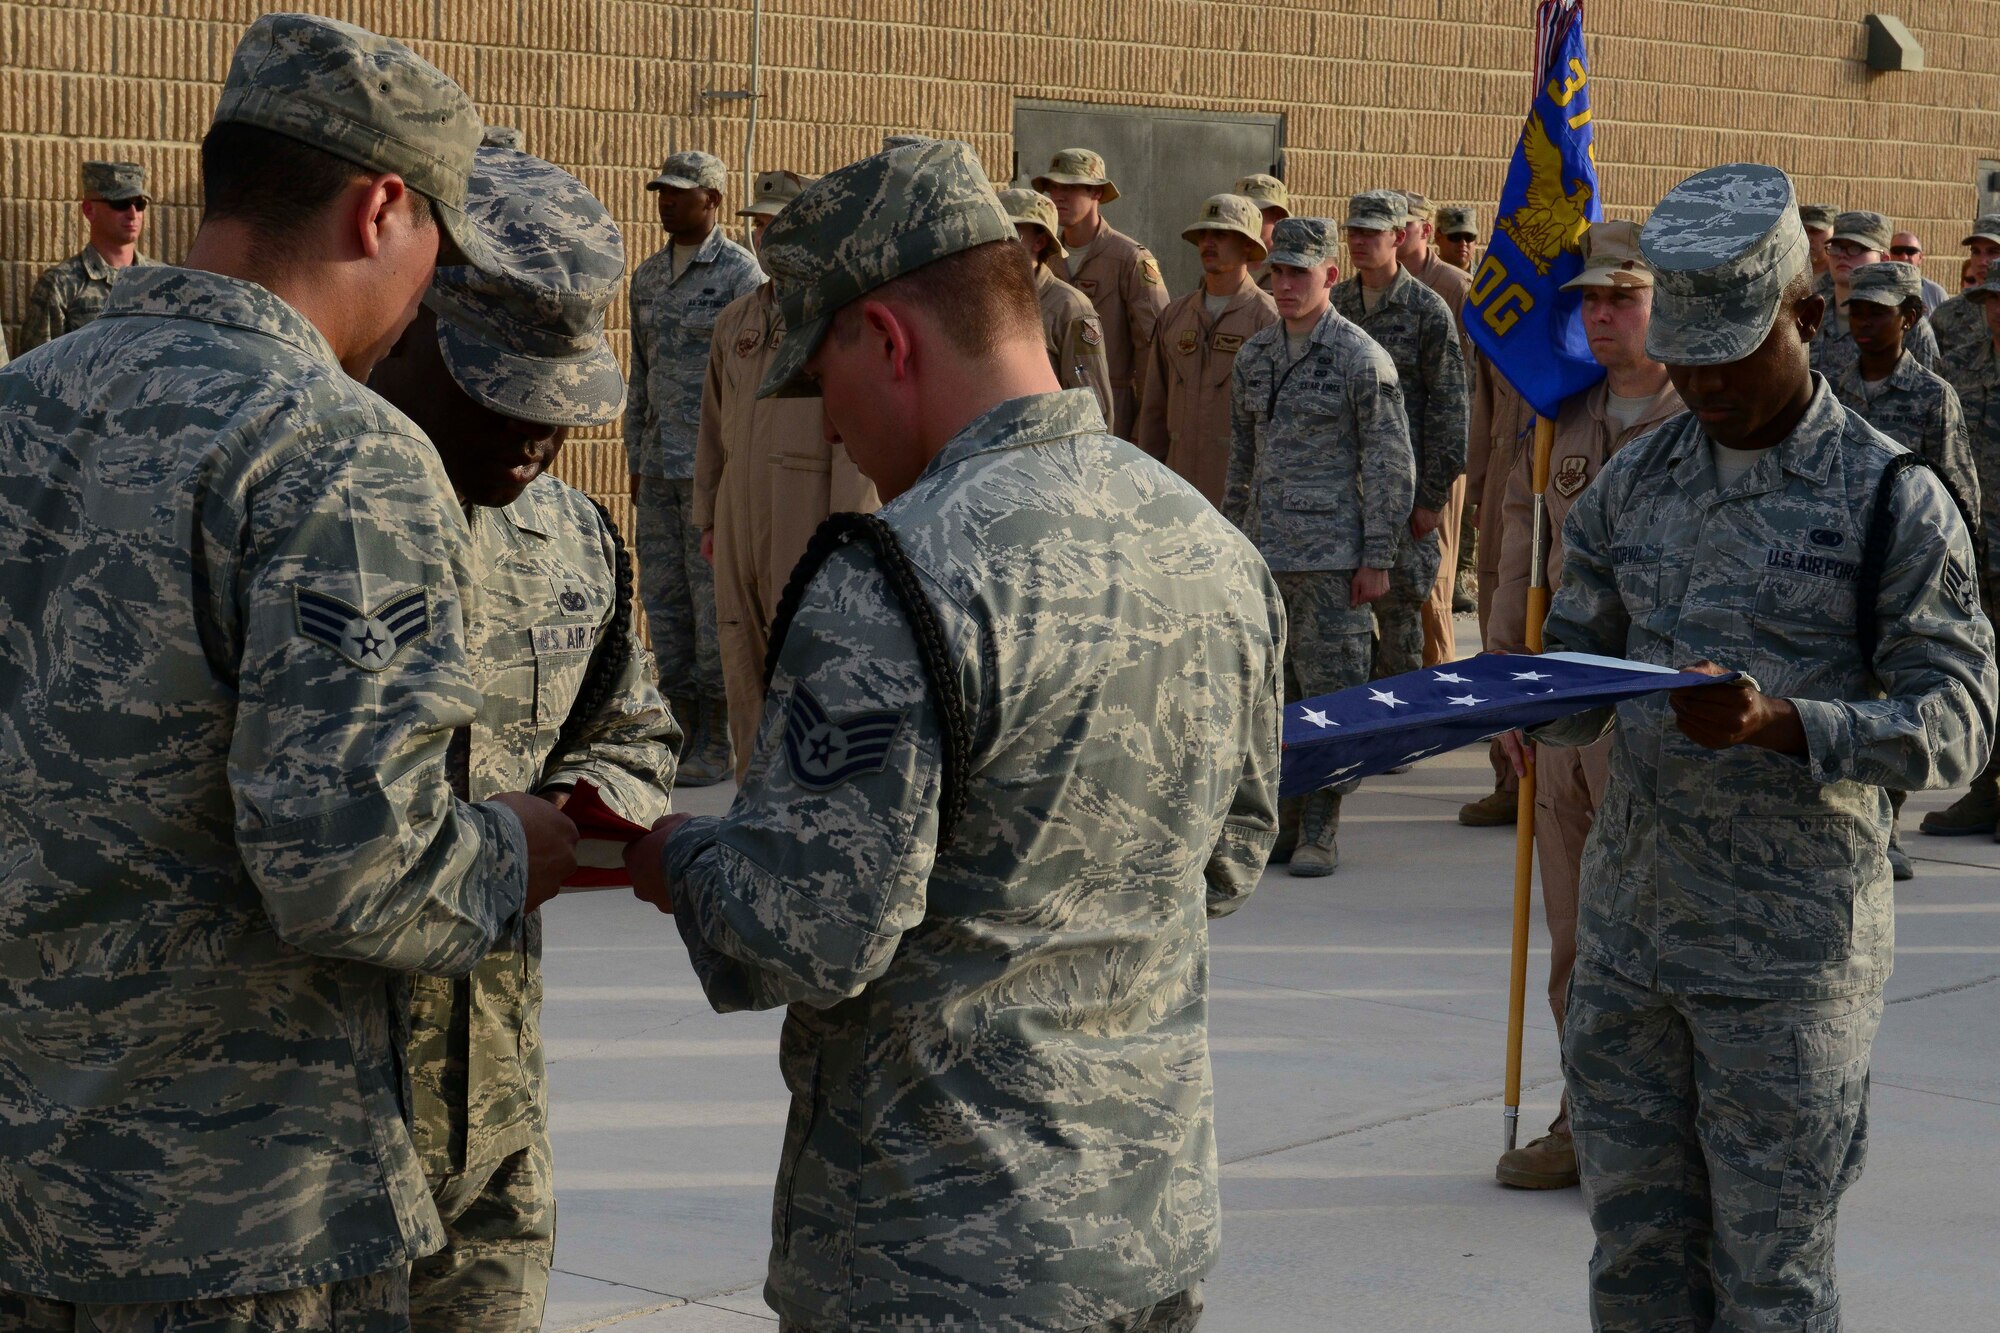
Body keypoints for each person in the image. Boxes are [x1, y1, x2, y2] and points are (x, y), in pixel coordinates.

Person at [626, 139, 1283, 1333]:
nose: (825, 421)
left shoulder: (898, 576)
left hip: (935, 1255)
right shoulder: (1208, 546)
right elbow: (1228, 859)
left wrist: (669, 854)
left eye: (817, 377)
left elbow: (809, 931)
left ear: (885, 340)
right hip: (1143, 1232)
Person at [0, 14, 581, 1326]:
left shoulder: (20, 405)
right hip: (240, 1225)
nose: (432, 294)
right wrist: (518, 849)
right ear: (383, 207)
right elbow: (351, 880)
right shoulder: (337, 450)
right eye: (441, 246)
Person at [1525, 163, 1995, 1332]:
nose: (1703, 386)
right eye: (1683, 360)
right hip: (1631, 943)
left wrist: (1787, 724)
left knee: (1768, 1279)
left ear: (1805, 315)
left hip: (1784, 966)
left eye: (1729, 358)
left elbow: (1960, 729)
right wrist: (1513, 701)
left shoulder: (1891, 500)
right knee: (1634, 1261)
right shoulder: (1633, 483)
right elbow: (1575, 662)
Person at [366, 144, 681, 1331]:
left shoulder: (572, 539)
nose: (536, 430)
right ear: (408, 322)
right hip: (303, 1147)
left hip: (490, 1117)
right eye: (499, 386)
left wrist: (584, 803)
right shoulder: (288, 516)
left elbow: (637, 729)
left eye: (556, 398)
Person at [1486, 219, 1683, 1192]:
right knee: (1572, 936)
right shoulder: (1559, 412)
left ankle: (1660, 1132)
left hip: (1659, 729)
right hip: (1562, 706)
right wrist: (1507, 677)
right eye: (1585, 300)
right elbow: (1520, 531)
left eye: (1620, 296)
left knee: (1652, 939)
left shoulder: (1705, 423)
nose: (1598, 316)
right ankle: (1583, 1113)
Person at [1227, 217, 1416, 876]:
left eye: (1299, 273)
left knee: (1330, 695)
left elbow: (1391, 461)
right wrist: (1231, 545)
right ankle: (1282, 814)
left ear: (1330, 276)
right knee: (1272, 697)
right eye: (1277, 271)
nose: (1284, 284)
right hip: (1264, 556)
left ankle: (1323, 826)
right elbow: (1241, 464)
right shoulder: (1253, 357)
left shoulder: (1360, 358)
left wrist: (1377, 557)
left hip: (1334, 561)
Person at [699, 169, 879, 781]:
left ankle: (800, 802)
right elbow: (712, 427)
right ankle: (751, 798)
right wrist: (706, 517)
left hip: (805, 516)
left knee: (804, 660)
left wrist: (850, 535)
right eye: (759, 224)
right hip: (737, 516)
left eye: (779, 222)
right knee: (741, 656)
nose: (766, 234)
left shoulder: (832, 316)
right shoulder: (736, 322)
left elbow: (855, 440)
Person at [625, 149, 764, 786]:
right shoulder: (649, 277)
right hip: (658, 469)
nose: (666, 201)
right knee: (665, 601)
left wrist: (735, 470)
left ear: (713, 198)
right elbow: (642, 376)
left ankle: (717, 736)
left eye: (680, 192)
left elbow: (746, 384)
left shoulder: (741, 276)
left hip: (712, 470)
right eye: (662, 191)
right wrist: (633, 455)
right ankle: (678, 727)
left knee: (713, 607)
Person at [1331, 190, 1468, 675]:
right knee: (1340, 624)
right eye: (1354, 231)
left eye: (1372, 232)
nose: (1361, 241)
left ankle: (1399, 736)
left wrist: (1432, 497)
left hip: (1404, 497)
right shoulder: (1336, 304)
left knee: (1401, 628)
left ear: (1398, 236)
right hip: (1345, 492)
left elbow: (1450, 408)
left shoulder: (1427, 310)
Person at [1136, 192, 1278, 506]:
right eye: (1204, 234)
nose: (1208, 243)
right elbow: (1154, 409)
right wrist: (1146, 478)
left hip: (1237, 494)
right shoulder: (1175, 315)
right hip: (1177, 489)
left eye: (1221, 234)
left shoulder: (1268, 320)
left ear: (1247, 245)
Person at [1924, 266, 2000, 841]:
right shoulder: (1966, 364)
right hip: (1977, 540)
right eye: (1989, 300)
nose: (1994, 310)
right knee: (1983, 662)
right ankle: (1986, 789)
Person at [1032, 147, 1169, 437]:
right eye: (1053, 187)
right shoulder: (1044, 256)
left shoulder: (1130, 259)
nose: (1058, 196)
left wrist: (1144, 425)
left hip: (1115, 411)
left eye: (1070, 187)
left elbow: (1153, 348)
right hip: (1051, 408)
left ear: (1096, 193)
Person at [1397, 189, 1477, 667]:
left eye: (1402, 226)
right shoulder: (1378, 286)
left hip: (1440, 452)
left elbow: (1468, 380)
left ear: (1425, 231)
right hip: (1391, 455)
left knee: (1436, 582)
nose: (1394, 233)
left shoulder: (1454, 287)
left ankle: (1444, 681)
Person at [16, 160, 159, 354]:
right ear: (89, 210)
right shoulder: (61, 285)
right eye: (121, 204)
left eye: (140, 204)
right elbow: (34, 371)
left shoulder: (161, 280)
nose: (133, 214)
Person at [998, 186, 1114, 420]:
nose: (999, 240)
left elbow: (1092, 407)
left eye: (1011, 231)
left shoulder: (1070, 309)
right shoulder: (985, 300)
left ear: (1039, 242)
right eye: (995, 229)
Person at [1811, 209, 1939, 377]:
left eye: (1856, 248)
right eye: (1836, 247)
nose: (1842, 255)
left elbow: (1928, 391)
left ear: (1884, 259)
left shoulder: (1906, 324)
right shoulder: (1812, 313)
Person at [1927, 213, 2000, 376]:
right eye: (1976, 252)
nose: (1982, 261)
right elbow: (1927, 379)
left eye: (1993, 252)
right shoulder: (1948, 314)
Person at [1235, 171, 1290, 291]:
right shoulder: (1223, 263)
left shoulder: (1293, 269)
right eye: (1239, 211)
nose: (1242, 217)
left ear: (1278, 215)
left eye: (1251, 211)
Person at [1888, 231, 1949, 312]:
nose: (1904, 257)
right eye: (1897, 250)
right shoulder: (1875, 290)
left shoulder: (1935, 294)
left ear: (1920, 257)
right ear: (1889, 255)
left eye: (1910, 251)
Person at [1799, 201, 1837, 279]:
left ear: (1834, 233)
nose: (1807, 238)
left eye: (1815, 231)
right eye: (1803, 231)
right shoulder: (1786, 277)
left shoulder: (1843, 279)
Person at [1437, 205, 1479, 271]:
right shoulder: (1423, 278)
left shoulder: (1485, 279)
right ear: (1438, 238)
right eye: (1455, 236)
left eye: (1469, 237)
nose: (1463, 243)